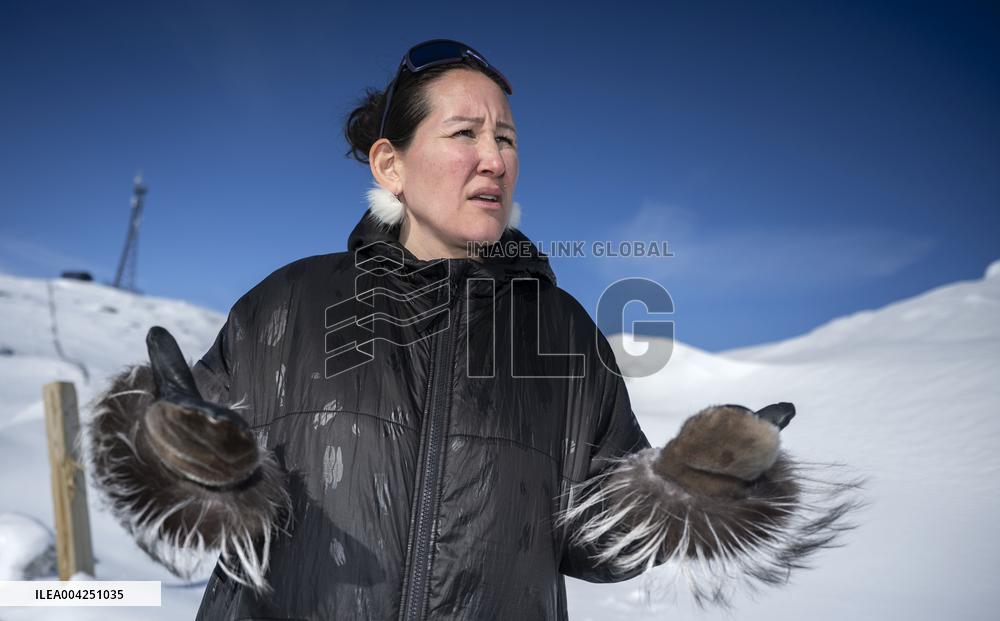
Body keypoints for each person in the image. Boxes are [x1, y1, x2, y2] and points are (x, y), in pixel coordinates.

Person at [87, 39, 862, 620]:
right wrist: (176, 452)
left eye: (507, 138)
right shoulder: (286, 303)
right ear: (391, 165)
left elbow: (595, 541)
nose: (493, 157)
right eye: (464, 133)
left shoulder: (563, 334)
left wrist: (686, 493)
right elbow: (190, 486)